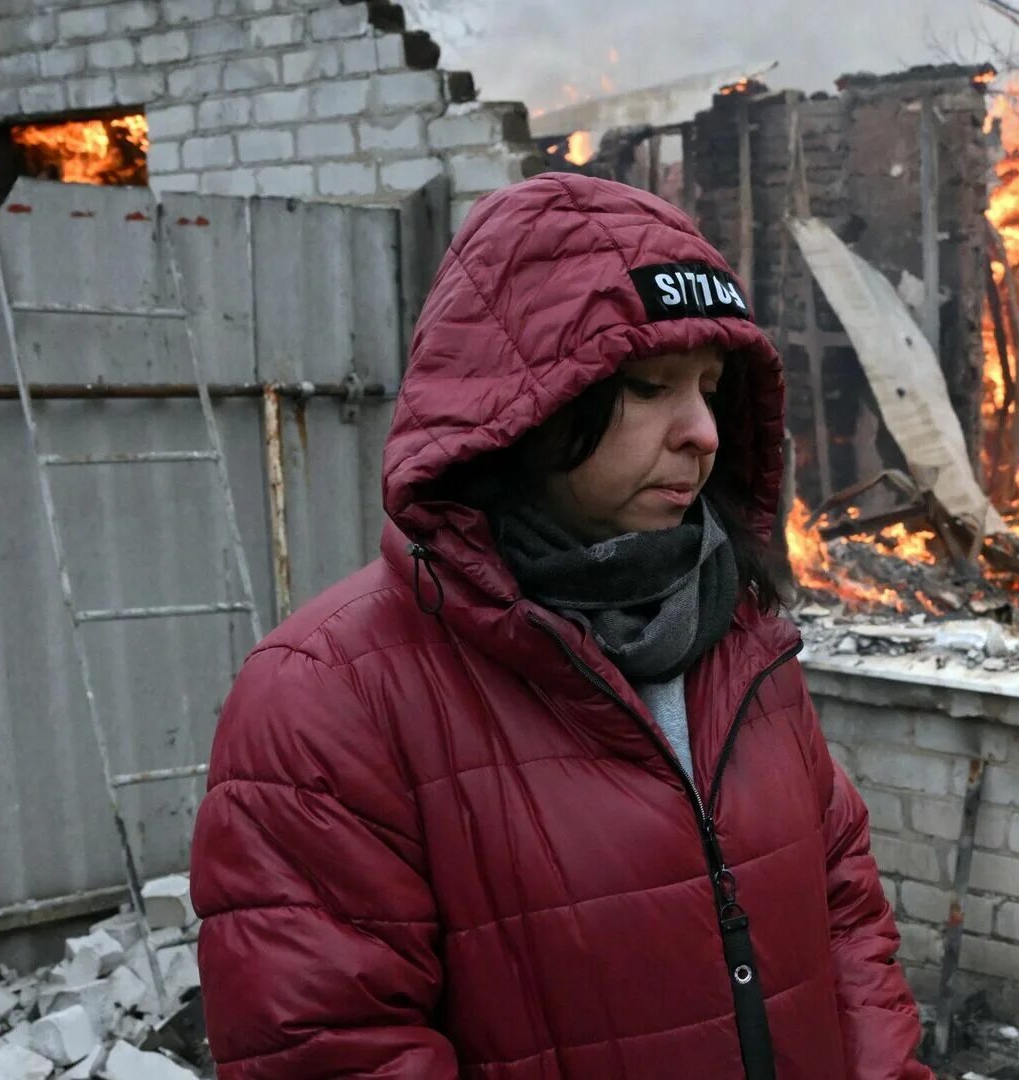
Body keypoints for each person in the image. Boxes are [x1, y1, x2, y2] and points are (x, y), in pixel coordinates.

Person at [189, 173, 932, 1079]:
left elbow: (847, 917)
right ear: (518, 405)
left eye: (710, 386)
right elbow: (330, 1051)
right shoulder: (326, 699)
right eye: (649, 385)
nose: (701, 430)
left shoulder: (739, 639)